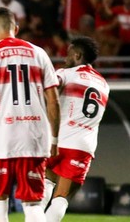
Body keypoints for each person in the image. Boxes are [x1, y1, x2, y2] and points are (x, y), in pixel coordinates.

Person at [0, 7, 60, 222]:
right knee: (33, 203)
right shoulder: (39, 53)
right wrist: (54, 138)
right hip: (34, 137)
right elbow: (53, 100)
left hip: (0, 139)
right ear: (16, 29)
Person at [41, 37, 110, 221]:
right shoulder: (104, 84)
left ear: (77, 55)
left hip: (57, 140)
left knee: (46, 184)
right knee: (61, 198)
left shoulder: (66, 73)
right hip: (82, 145)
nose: (65, 58)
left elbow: (46, 88)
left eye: (68, 53)